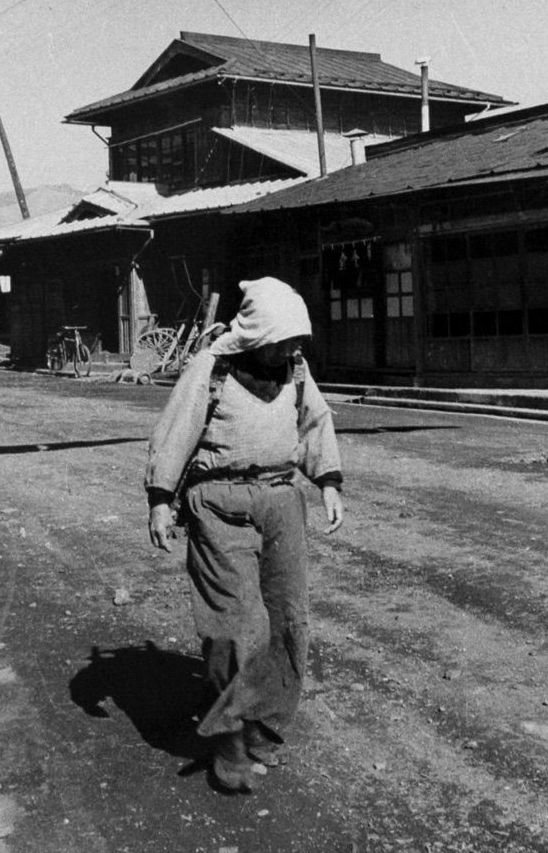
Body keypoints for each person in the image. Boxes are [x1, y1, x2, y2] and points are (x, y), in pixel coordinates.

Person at [145, 277, 344, 792]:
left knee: (287, 620)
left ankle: (260, 723)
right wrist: (161, 500)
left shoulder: (295, 369)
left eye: (297, 340)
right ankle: (228, 741)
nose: (292, 349)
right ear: (258, 334)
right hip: (219, 502)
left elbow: (315, 422)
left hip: (281, 500)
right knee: (233, 626)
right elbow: (175, 432)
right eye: (283, 340)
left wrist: (328, 483)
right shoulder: (212, 368)